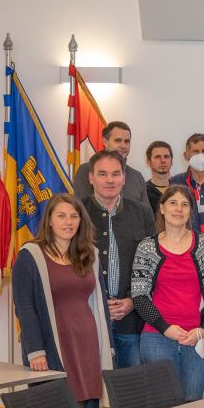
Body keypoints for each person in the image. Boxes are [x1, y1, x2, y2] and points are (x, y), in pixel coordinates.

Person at [12, 194, 113, 408]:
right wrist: (35, 350)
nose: (68, 222)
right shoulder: (30, 255)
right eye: (61, 216)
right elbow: (24, 307)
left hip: (88, 343)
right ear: (49, 221)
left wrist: (107, 345)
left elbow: (100, 302)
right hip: (54, 344)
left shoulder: (90, 255)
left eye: (74, 216)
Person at [131, 185, 204, 400]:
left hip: (199, 338)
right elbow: (139, 296)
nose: (178, 209)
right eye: (173, 203)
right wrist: (166, 328)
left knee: (192, 405)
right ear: (161, 208)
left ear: (191, 210)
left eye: (184, 204)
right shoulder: (147, 247)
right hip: (157, 338)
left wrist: (202, 329)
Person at [82, 150, 156, 369]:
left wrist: (133, 301)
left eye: (116, 174)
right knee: (89, 389)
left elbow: (153, 265)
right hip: (88, 317)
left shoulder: (142, 212)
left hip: (130, 320)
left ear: (124, 178)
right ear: (91, 178)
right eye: (102, 174)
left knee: (130, 391)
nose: (110, 180)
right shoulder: (77, 212)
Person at [73, 121, 150, 206]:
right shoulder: (86, 170)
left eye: (127, 141)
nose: (123, 146)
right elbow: (81, 208)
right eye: (118, 140)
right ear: (105, 141)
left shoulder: (137, 176)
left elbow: (146, 214)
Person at [145, 140, 173, 215]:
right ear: (148, 161)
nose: (163, 160)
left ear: (172, 161)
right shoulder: (143, 191)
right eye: (157, 157)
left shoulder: (180, 188)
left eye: (166, 157)